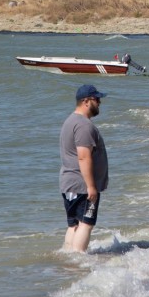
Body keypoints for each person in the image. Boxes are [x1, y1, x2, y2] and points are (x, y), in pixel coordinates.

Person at [59, 84, 109, 252]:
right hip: (82, 185)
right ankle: (78, 261)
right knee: (86, 224)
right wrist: (91, 186)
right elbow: (83, 156)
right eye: (97, 99)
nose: (100, 102)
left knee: (73, 225)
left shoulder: (70, 121)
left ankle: (68, 258)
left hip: (69, 183)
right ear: (86, 101)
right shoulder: (83, 125)